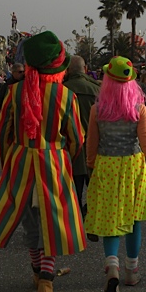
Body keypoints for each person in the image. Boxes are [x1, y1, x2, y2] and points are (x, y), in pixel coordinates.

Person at [0, 31, 85, 292]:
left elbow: (2, 134)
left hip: (21, 161)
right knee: (52, 221)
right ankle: (46, 280)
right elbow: (76, 138)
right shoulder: (65, 95)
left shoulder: (15, 91)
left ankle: (38, 273)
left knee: (30, 222)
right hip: (53, 163)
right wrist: (63, 156)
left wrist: (10, 158)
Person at [85, 56, 146, 292]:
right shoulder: (139, 108)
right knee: (134, 220)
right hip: (133, 167)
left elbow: (91, 143)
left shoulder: (97, 109)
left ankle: (111, 265)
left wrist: (91, 167)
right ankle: (132, 271)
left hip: (106, 166)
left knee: (109, 220)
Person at [63, 55, 101, 215]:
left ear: (68, 70)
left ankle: (76, 220)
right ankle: (91, 216)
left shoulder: (62, 90)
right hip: (95, 147)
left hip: (71, 148)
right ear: (85, 69)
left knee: (73, 191)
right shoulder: (97, 89)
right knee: (96, 190)